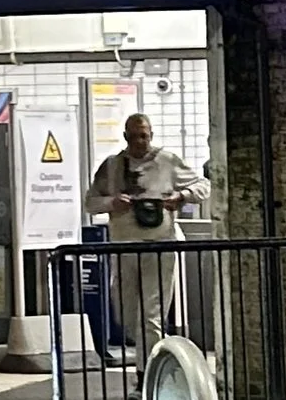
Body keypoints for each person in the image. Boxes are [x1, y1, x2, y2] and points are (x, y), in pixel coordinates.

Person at [83, 112, 207, 351]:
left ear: (151, 135)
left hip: (159, 244)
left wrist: (181, 197)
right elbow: (90, 202)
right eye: (134, 137)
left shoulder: (167, 161)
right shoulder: (112, 166)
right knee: (126, 311)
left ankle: (146, 373)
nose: (140, 142)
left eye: (144, 136)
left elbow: (203, 185)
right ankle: (145, 356)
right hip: (124, 246)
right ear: (125, 137)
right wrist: (112, 203)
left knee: (152, 313)